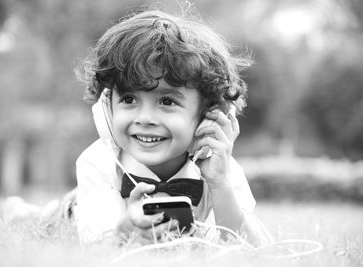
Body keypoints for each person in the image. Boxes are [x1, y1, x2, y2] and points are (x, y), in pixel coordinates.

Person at [74, 9, 271, 246]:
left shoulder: (223, 171)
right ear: (106, 110)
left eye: (167, 101)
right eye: (129, 99)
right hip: (74, 208)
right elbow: (97, 244)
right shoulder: (97, 163)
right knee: (45, 215)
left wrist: (219, 186)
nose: (145, 118)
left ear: (208, 115)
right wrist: (126, 233)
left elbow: (255, 248)